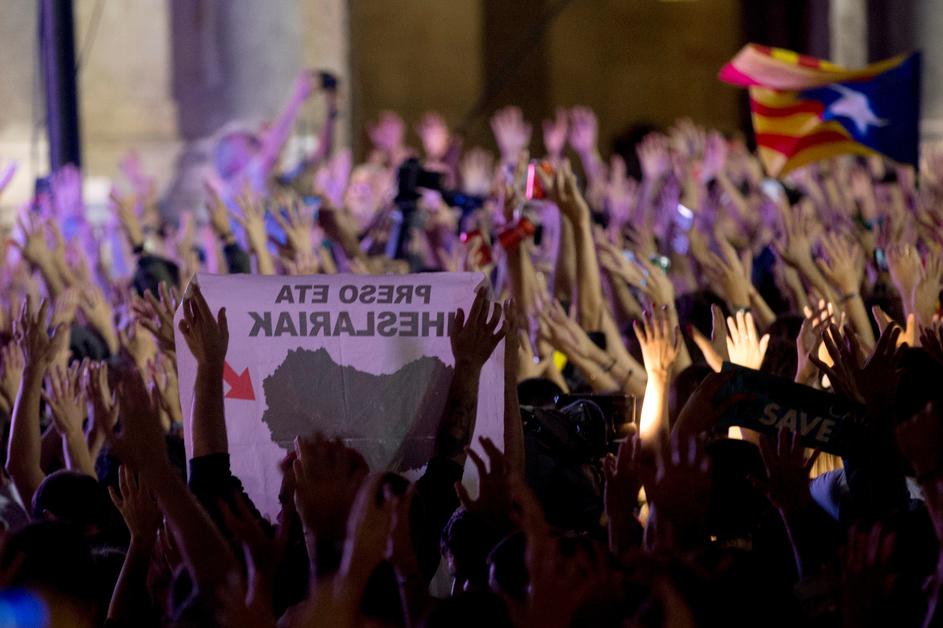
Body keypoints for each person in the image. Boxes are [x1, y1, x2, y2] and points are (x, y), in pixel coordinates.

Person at [0, 85, 942, 628]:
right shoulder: (412, 569)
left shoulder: (264, 571)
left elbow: (201, 482)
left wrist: (179, 412)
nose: (318, 454)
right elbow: (454, 466)